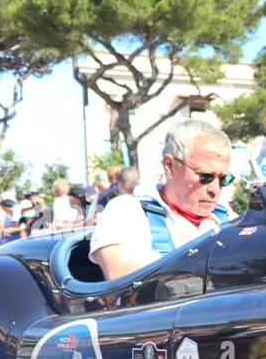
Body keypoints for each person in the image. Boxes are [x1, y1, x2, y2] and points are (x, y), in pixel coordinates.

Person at [88, 118, 235, 280]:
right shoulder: (127, 211)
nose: (215, 189)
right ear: (170, 165)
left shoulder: (227, 216)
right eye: (205, 176)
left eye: (223, 179)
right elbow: (120, 274)